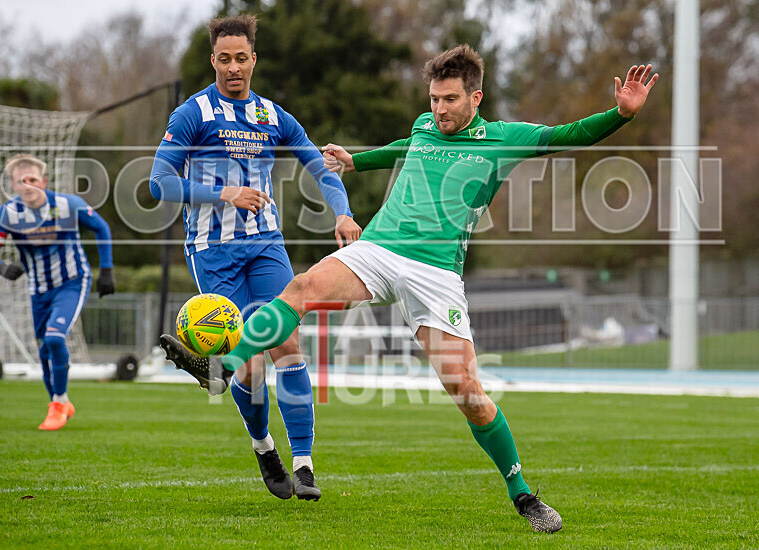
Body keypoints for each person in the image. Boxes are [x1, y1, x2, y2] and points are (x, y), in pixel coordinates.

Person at [163, 45, 657, 531]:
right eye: (434, 99)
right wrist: (357, 162)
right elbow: (407, 148)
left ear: (476, 98)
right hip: (378, 250)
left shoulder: (506, 139)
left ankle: (522, 492)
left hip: (436, 274)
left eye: (449, 100)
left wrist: (621, 115)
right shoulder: (424, 126)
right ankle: (223, 368)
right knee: (302, 286)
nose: (438, 109)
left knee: (467, 392)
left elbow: (568, 134)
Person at [150, 15, 361, 501]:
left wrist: (344, 213)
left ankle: (305, 465)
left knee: (286, 340)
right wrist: (225, 193)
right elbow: (159, 184)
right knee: (249, 363)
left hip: (266, 245)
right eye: (223, 59)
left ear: (253, 60)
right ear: (213, 61)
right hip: (214, 252)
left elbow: (319, 165)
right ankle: (264, 447)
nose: (232, 68)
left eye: (241, 58)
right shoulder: (192, 114)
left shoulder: (272, 116)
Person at [0, 154, 115, 431]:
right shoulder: (9, 213)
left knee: (55, 338)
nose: (28, 185)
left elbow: (101, 227)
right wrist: (3, 268)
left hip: (72, 282)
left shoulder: (66, 205)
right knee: (43, 350)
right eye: (21, 181)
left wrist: (107, 270)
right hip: (38, 289)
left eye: (32, 180)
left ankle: (59, 402)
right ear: (14, 186)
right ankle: (57, 402)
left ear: (43, 182)